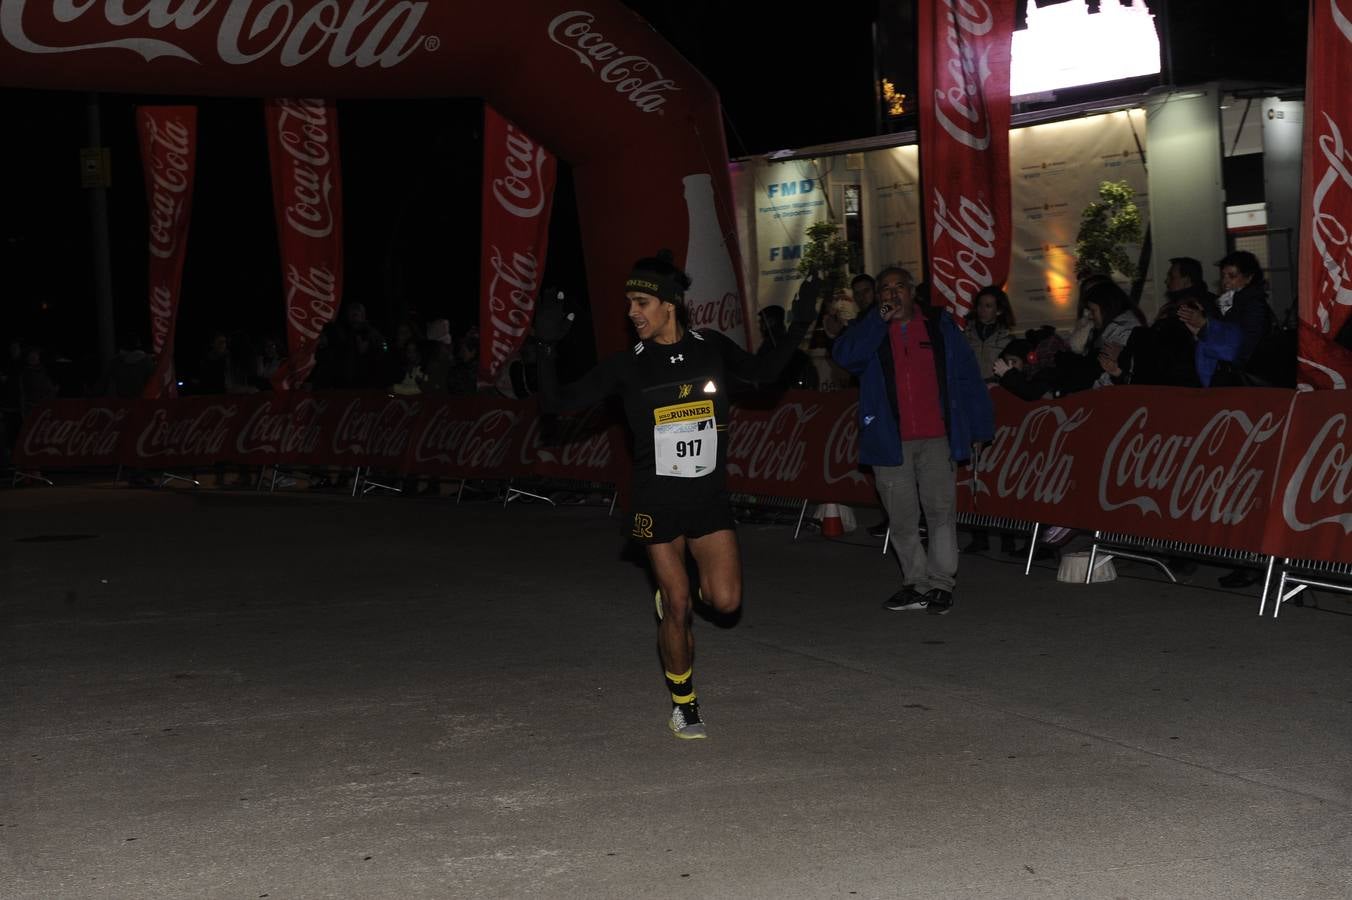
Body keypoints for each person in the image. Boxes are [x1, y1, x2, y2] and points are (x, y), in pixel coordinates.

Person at [535, 249, 820, 740]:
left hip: (707, 497)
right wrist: (544, 347)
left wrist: (798, 327)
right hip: (656, 500)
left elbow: (764, 373)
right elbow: (557, 402)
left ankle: (679, 602)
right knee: (678, 601)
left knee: (725, 601)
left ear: (670, 303)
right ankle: (684, 703)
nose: (631, 312)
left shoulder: (711, 347)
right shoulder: (627, 367)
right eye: (628, 303)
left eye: (641, 302)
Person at [830, 266, 994, 615]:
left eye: (899, 287)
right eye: (885, 289)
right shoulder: (869, 329)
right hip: (890, 441)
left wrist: (979, 427)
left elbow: (967, 376)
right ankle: (916, 583)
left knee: (940, 513)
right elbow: (845, 357)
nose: (893, 293)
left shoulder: (939, 326)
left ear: (912, 291)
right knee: (901, 518)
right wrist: (877, 321)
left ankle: (941, 585)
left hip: (937, 439)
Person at [964, 286, 1015, 383]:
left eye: (988, 306)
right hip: (969, 385)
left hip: (995, 387)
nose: (982, 309)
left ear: (999, 311)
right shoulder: (965, 335)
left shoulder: (1007, 339)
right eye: (980, 304)